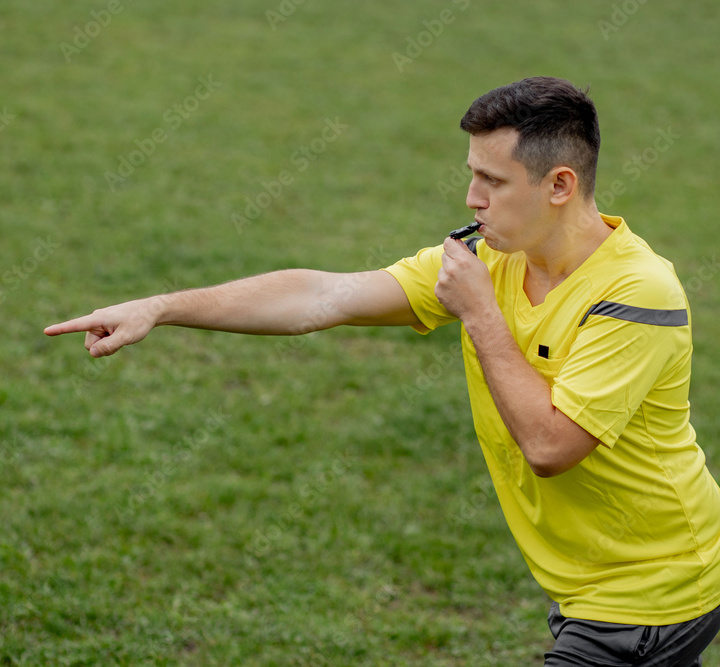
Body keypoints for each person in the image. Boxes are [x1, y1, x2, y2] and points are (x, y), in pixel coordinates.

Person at [45, 77, 720, 665]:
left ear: (560, 185)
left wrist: (480, 314)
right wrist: (161, 308)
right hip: (589, 580)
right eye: (472, 174)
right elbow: (322, 297)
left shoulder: (637, 291)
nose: (472, 198)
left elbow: (550, 446)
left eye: (492, 181)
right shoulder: (493, 256)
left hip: (654, 587)